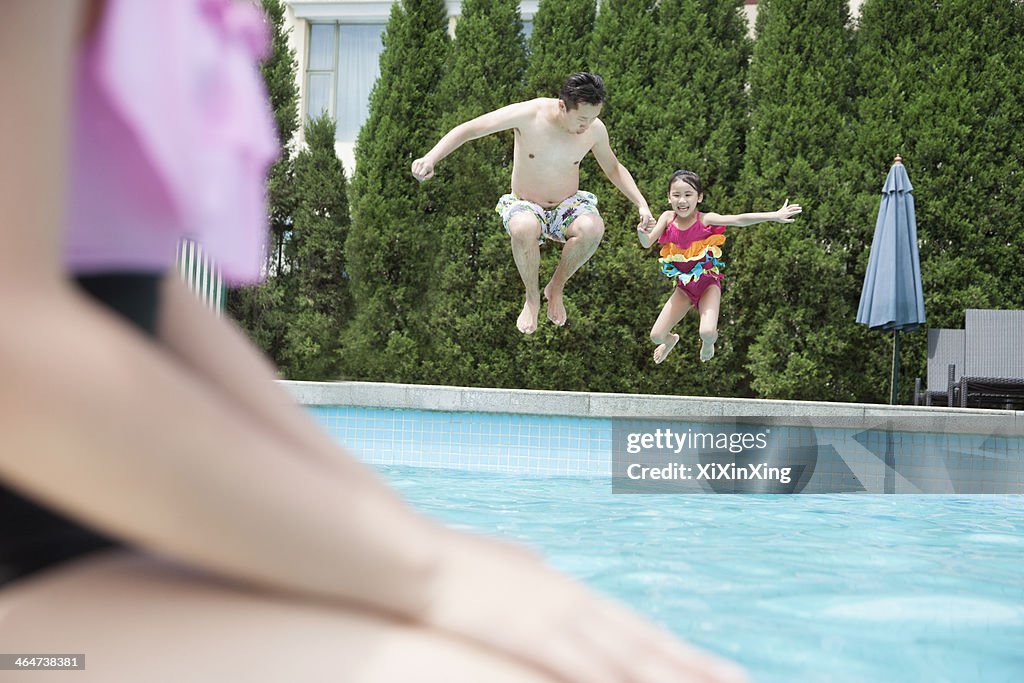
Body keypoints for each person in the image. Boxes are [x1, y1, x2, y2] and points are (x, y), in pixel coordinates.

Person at [0, 3, 749, 682]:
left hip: (125, 547)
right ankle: (536, 295)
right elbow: (20, 347)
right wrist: (423, 570)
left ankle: (545, 295)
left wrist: (401, 531)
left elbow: (138, 297)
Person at [411, 73, 655, 334]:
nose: (588, 125)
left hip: (566, 205)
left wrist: (641, 203)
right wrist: (431, 157)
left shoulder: (594, 129)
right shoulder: (528, 115)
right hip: (526, 204)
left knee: (593, 228)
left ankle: (556, 287)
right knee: (524, 227)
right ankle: (532, 297)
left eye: (594, 117)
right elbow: (470, 129)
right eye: (583, 119)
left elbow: (614, 168)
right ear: (563, 105)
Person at [637, 170, 802, 364]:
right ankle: (671, 340)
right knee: (656, 336)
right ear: (668, 197)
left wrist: (774, 215)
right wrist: (641, 231)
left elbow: (738, 220)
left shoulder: (704, 220)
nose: (682, 200)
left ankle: (708, 344)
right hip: (683, 289)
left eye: (688, 194)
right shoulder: (667, 218)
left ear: (699, 197)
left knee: (706, 332)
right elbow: (647, 242)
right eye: (676, 195)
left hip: (708, 285)